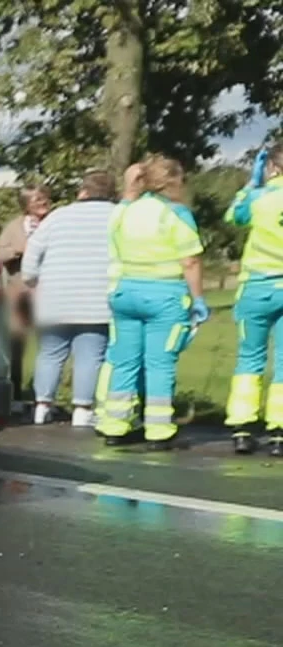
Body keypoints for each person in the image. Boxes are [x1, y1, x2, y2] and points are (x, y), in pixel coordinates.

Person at [99, 155, 208, 449]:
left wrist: (129, 188)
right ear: (175, 181)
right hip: (165, 296)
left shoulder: (124, 211)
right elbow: (190, 259)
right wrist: (198, 298)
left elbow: (113, 233)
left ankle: (114, 425)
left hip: (124, 294)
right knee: (160, 364)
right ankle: (158, 430)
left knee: (124, 362)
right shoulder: (177, 214)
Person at [21, 170, 118, 427]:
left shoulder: (57, 216)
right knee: (90, 355)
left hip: (54, 297)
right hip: (97, 299)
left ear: (82, 191)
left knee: (50, 353)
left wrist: (32, 280)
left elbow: (32, 257)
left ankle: (42, 406)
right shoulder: (118, 216)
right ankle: (82, 409)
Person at [222, 144, 283, 455]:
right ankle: (279, 432)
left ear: (271, 167)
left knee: (250, 357)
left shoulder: (259, 198)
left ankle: (243, 428)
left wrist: (251, 182)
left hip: (256, 288)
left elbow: (233, 216)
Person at [0, 186, 54, 407]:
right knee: (16, 343)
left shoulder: (56, 221)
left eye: (45, 197)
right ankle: (16, 392)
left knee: (50, 344)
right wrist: (17, 250)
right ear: (26, 204)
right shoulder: (14, 226)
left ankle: (44, 395)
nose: (43, 202)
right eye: (37, 199)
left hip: (48, 290)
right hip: (18, 290)